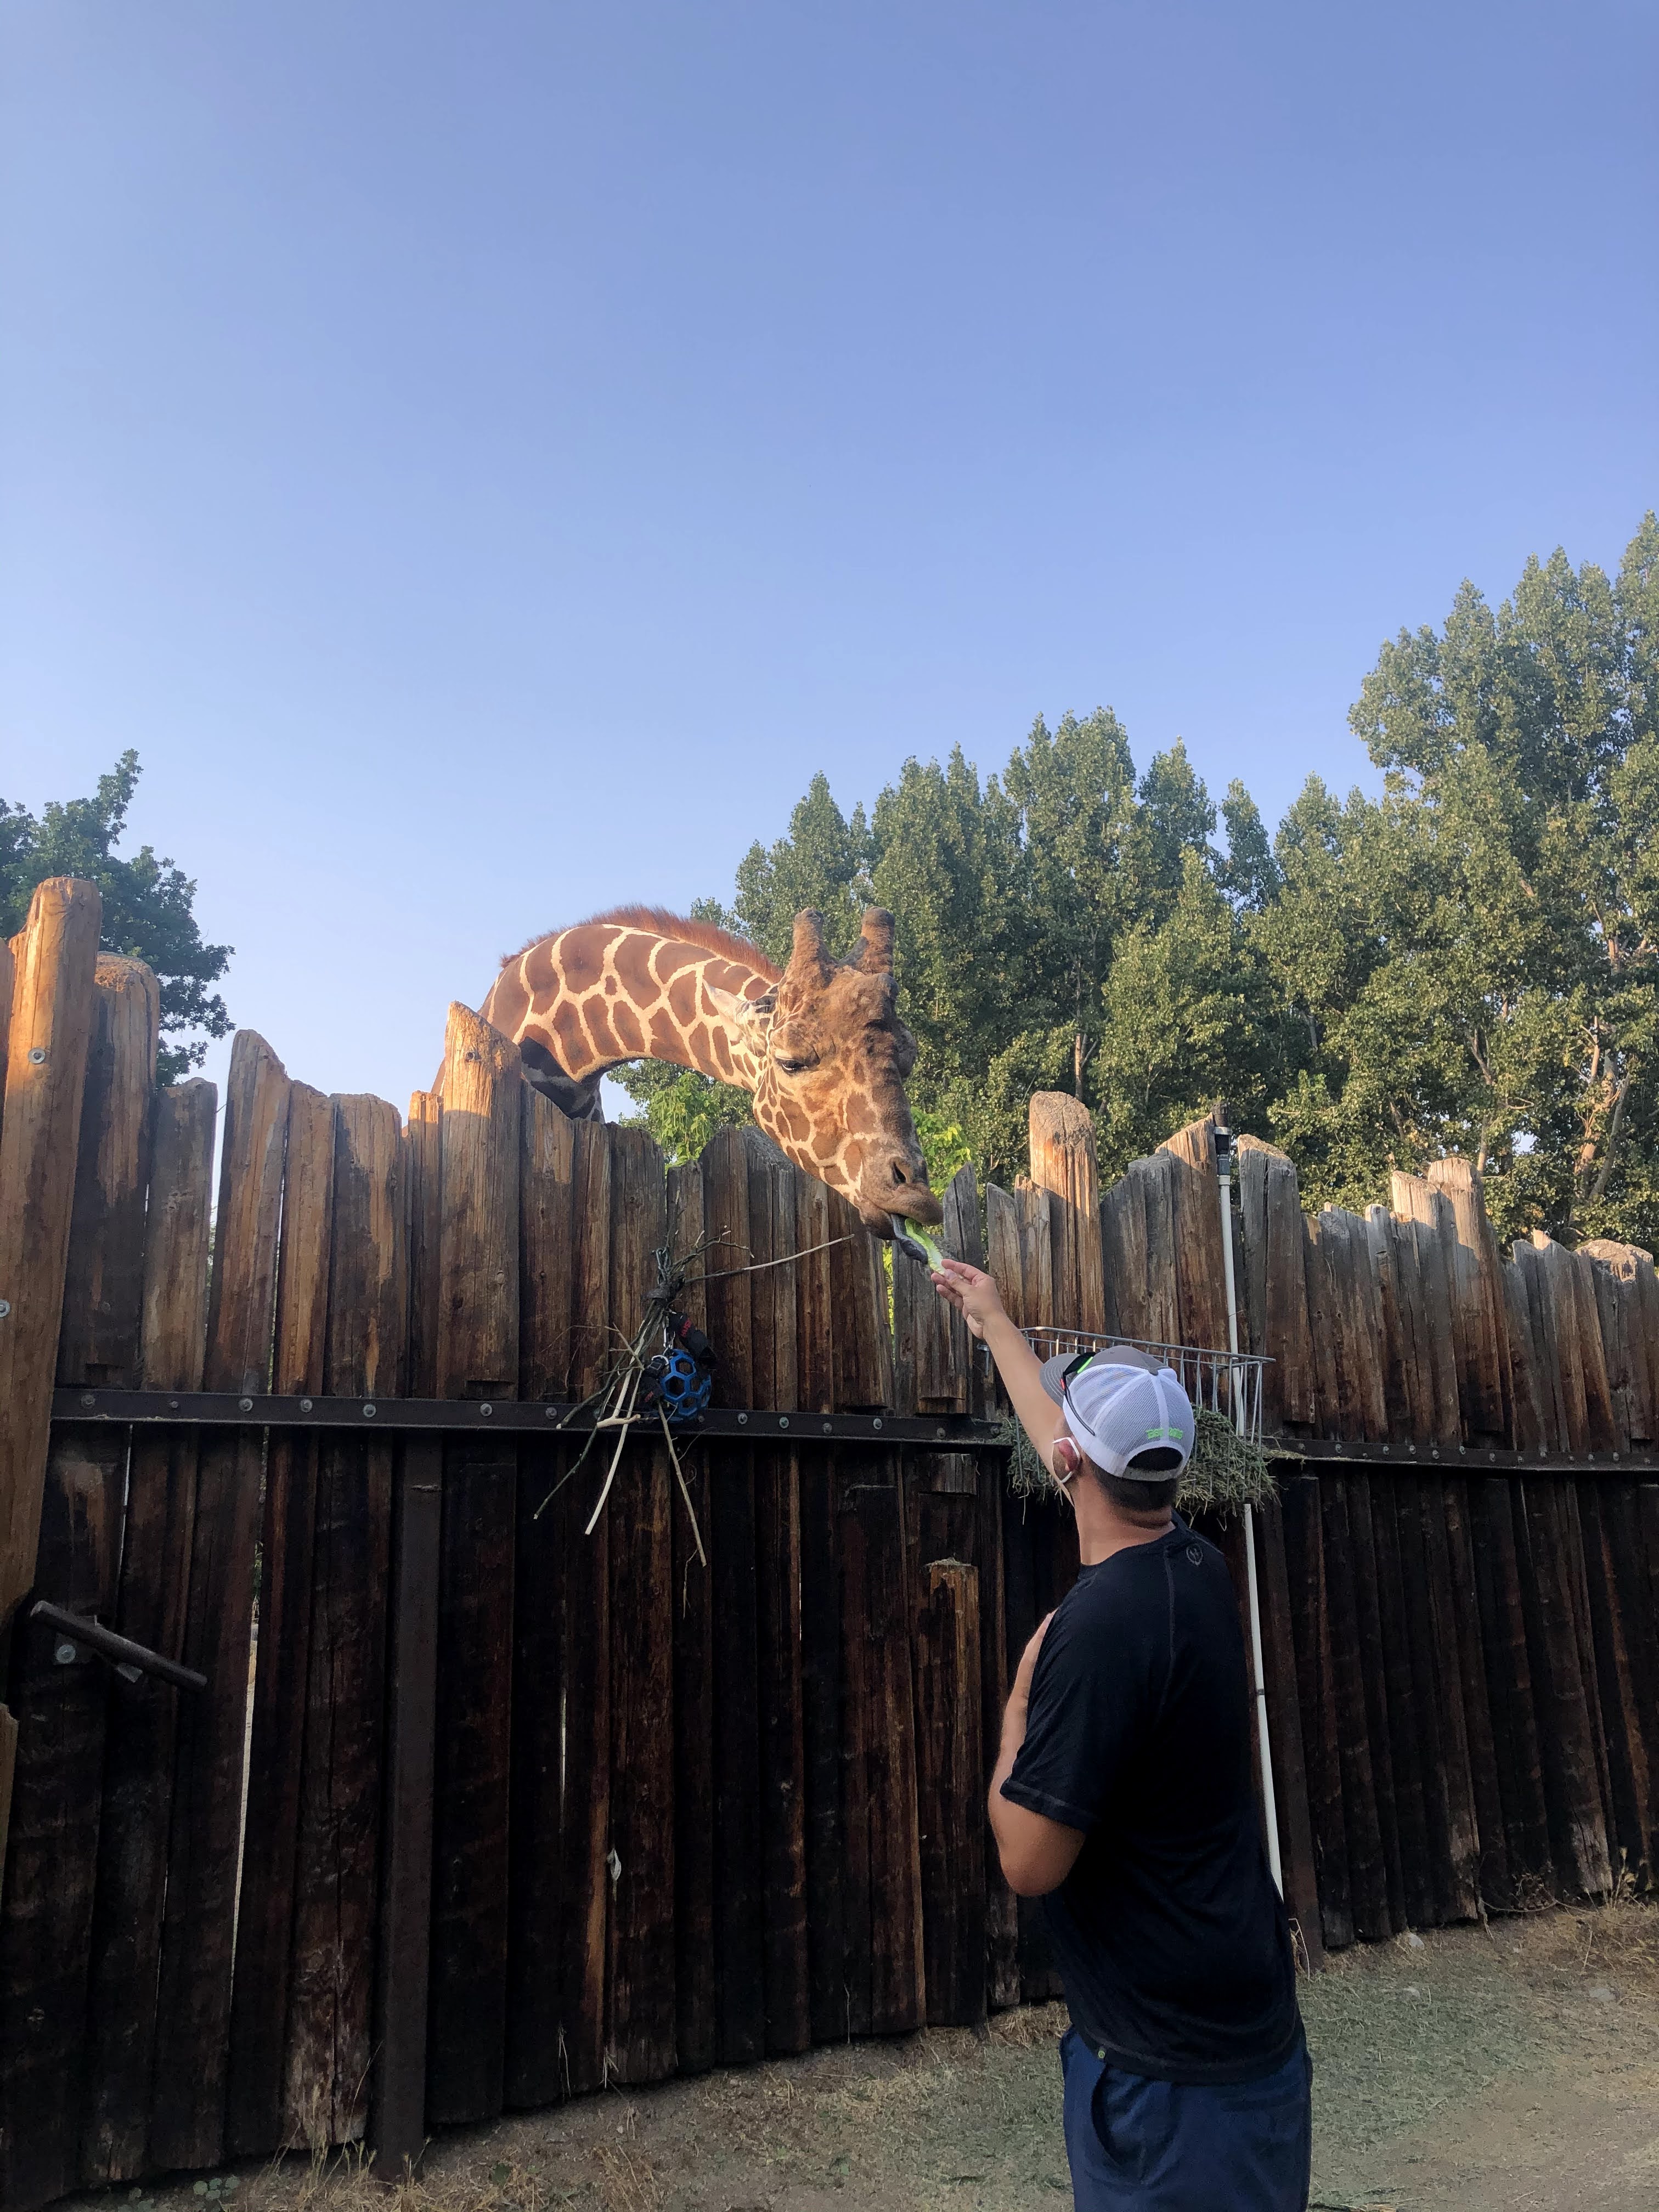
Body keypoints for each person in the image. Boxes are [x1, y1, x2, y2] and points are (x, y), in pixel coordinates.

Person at [930, 1255, 1311, 2212]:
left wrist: (1018, 1713)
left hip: (1172, 2085)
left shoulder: (1101, 1629)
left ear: (1069, 1461)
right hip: (1236, 2032)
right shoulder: (1194, 1567)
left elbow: (1028, 1862)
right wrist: (992, 1319)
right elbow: (1061, 1440)